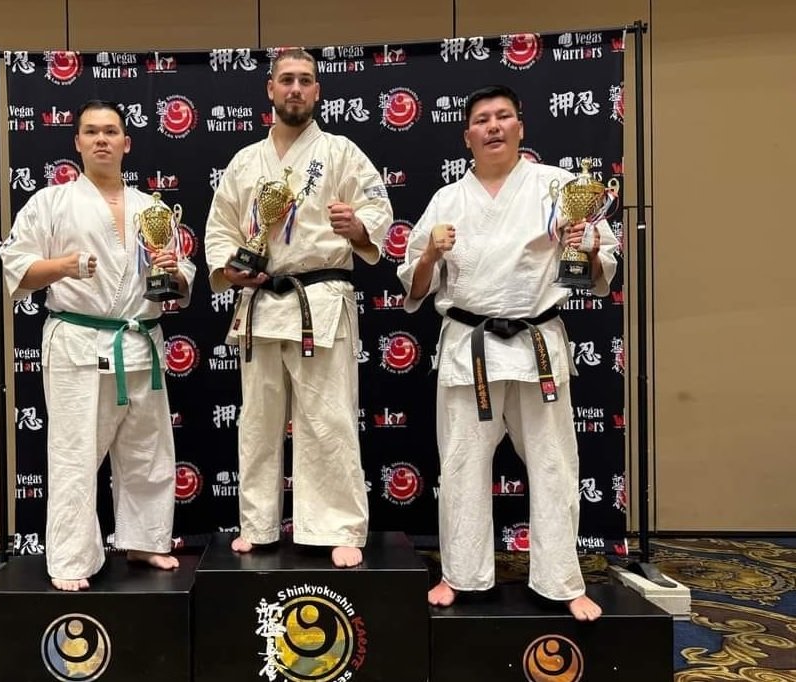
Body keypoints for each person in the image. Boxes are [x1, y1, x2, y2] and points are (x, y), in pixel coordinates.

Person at [397, 85, 618, 620]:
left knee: (554, 463)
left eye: (503, 117)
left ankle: (562, 579)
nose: (492, 126)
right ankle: (460, 573)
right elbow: (416, 287)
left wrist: (586, 243)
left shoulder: (559, 187)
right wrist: (429, 254)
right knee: (462, 464)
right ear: (466, 136)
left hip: (535, 343)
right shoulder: (447, 200)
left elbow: (599, 273)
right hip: (468, 347)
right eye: (481, 120)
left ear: (521, 126)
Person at [203, 48, 392, 568]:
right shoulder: (246, 162)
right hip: (261, 300)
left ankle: (338, 526)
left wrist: (359, 227)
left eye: (305, 80)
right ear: (270, 89)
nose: (295, 89)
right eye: (286, 79)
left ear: (317, 91)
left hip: (321, 300)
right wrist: (229, 267)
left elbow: (378, 208)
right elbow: (220, 228)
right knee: (258, 420)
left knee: (328, 418)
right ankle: (257, 523)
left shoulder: (341, 153)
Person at [0, 100, 196, 591]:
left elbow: (180, 279)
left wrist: (173, 271)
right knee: (75, 453)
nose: (101, 139)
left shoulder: (152, 209)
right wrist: (64, 267)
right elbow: (16, 267)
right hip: (78, 341)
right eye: (91, 132)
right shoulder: (51, 202)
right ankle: (71, 559)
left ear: (127, 143)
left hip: (140, 339)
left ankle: (146, 540)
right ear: (78, 143)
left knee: (148, 448)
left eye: (110, 131)